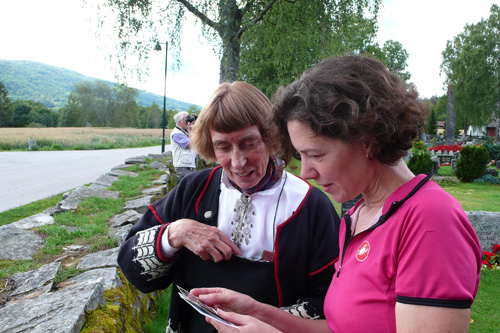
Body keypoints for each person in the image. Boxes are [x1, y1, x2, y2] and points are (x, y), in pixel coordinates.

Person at [192, 56, 482, 332]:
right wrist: (260, 312)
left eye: (315, 154)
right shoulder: (359, 217)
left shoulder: (430, 221)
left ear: (366, 139)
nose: (305, 173)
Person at [117, 81, 341, 332]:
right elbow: (132, 268)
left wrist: (263, 323)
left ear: (270, 137)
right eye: (223, 147)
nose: (238, 162)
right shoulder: (194, 189)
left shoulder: (310, 206)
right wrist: (174, 233)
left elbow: (330, 301)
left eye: (249, 143)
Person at [170, 111, 197, 183]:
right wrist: (190, 130)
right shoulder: (176, 134)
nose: (188, 121)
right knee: (185, 190)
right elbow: (190, 144)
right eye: (186, 120)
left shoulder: (184, 132)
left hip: (189, 165)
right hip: (183, 167)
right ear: (180, 121)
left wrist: (195, 124)